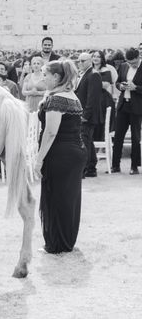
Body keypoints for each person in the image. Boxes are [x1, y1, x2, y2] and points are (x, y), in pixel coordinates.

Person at [35, 59, 84, 254]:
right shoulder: (71, 96)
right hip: (75, 152)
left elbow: (50, 132)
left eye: (45, 74)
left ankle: (56, 244)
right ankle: (66, 241)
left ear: (56, 77)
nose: (43, 78)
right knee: (69, 199)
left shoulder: (56, 100)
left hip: (60, 154)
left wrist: (39, 160)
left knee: (55, 198)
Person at [111, 48, 142, 174]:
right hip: (123, 105)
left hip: (137, 107)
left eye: (134, 63)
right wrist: (121, 86)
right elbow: (117, 82)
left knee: (135, 138)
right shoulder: (123, 66)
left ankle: (134, 167)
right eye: (129, 63)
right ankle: (115, 165)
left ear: (139, 57)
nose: (131, 65)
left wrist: (136, 88)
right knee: (118, 136)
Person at [75, 52, 102, 178]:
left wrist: (85, 115)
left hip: (88, 115)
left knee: (84, 141)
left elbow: (93, 98)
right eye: (79, 61)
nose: (80, 63)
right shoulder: (85, 74)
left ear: (90, 61)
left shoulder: (93, 75)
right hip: (84, 113)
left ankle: (83, 169)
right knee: (88, 141)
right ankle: (91, 167)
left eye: (83, 61)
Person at [91, 50, 116, 141]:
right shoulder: (89, 70)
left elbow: (105, 85)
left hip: (103, 99)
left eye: (98, 56)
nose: (95, 58)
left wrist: (91, 82)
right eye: (94, 56)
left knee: (102, 123)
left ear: (102, 59)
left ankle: (101, 147)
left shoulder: (106, 70)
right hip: (91, 98)